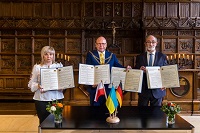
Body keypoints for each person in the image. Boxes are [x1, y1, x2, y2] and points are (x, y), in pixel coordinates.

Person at [86, 36, 131, 106]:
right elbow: (88, 69)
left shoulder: (111, 55)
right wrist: (91, 83)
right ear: (95, 45)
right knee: (95, 110)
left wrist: (126, 68)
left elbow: (117, 65)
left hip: (108, 87)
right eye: (99, 44)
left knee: (108, 108)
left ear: (106, 45)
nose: (101, 46)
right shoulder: (90, 55)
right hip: (95, 87)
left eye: (103, 44)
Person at [28, 46, 64, 124]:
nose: (49, 56)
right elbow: (31, 84)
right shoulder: (37, 67)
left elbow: (64, 83)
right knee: (43, 121)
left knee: (57, 120)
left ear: (53, 55)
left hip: (56, 97)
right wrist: (38, 86)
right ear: (42, 55)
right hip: (41, 99)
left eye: (51, 54)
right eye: (46, 54)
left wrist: (62, 86)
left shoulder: (59, 66)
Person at [135, 35, 168, 106]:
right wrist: (140, 70)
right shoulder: (140, 57)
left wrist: (165, 83)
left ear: (156, 43)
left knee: (156, 114)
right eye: (148, 42)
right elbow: (136, 71)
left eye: (153, 42)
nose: (151, 44)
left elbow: (166, 71)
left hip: (157, 90)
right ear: (145, 44)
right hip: (144, 90)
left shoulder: (162, 56)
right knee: (142, 113)